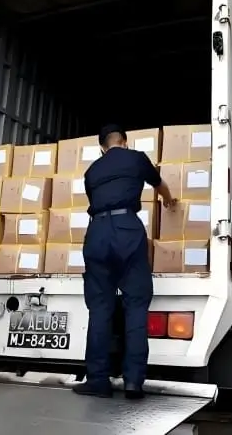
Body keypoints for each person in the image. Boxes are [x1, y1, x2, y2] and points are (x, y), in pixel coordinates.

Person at [72, 124, 177, 400]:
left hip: (97, 233)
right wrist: (169, 200)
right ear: (125, 142)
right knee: (136, 305)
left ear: (102, 147)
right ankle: (133, 382)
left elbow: (96, 200)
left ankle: (97, 380)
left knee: (100, 308)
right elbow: (160, 184)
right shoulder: (137, 158)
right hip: (127, 229)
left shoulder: (91, 171)